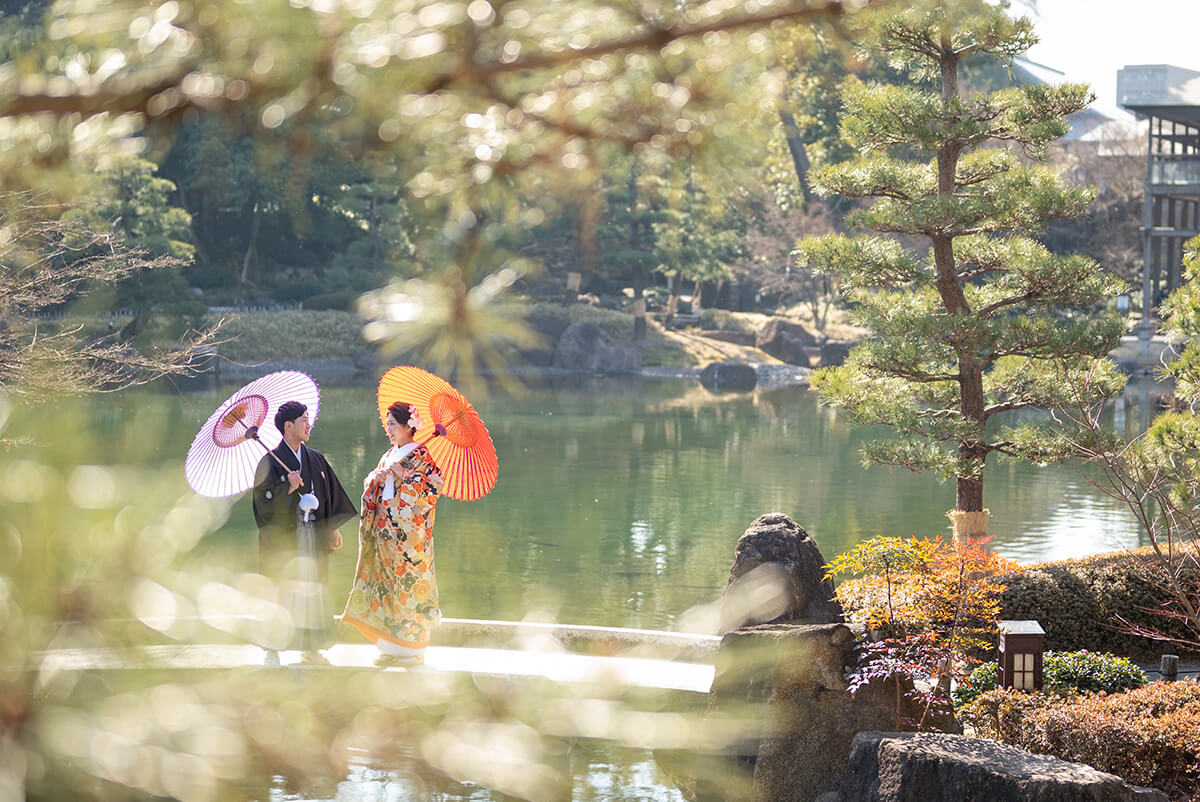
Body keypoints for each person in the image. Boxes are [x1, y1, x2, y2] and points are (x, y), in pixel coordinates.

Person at [252, 400, 356, 666]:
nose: (309, 424)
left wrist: (331, 526)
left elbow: (330, 492)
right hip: (286, 538)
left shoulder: (315, 458)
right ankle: (273, 645)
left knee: (312, 587)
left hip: (313, 533)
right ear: (289, 426)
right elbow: (262, 504)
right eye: (304, 419)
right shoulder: (270, 462)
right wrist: (287, 488)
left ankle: (311, 646)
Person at [341, 401, 444, 667]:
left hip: (408, 542)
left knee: (408, 587)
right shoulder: (389, 454)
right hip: (383, 534)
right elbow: (373, 487)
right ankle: (387, 645)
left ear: (409, 427)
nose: (389, 430)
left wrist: (405, 477)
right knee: (384, 585)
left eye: (393, 425)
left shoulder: (422, 457)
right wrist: (375, 478)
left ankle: (410, 649)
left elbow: (432, 489)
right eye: (387, 425)